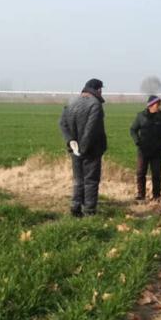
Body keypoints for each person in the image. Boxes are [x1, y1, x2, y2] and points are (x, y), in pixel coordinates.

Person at [58, 78, 107, 217]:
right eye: (101, 89)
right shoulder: (95, 105)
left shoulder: (71, 102)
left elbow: (62, 123)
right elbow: (90, 130)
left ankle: (75, 208)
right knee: (91, 181)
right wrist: (84, 149)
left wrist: (71, 141)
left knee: (78, 180)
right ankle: (90, 211)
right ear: (98, 90)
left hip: (75, 149)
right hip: (91, 150)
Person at [129, 95, 161, 201]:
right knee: (140, 173)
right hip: (143, 150)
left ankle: (157, 195)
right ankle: (141, 195)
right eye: (156, 104)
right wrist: (137, 141)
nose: (158, 106)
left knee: (156, 174)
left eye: (159, 104)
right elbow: (133, 130)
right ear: (150, 105)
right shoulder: (141, 116)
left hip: (157, 151)